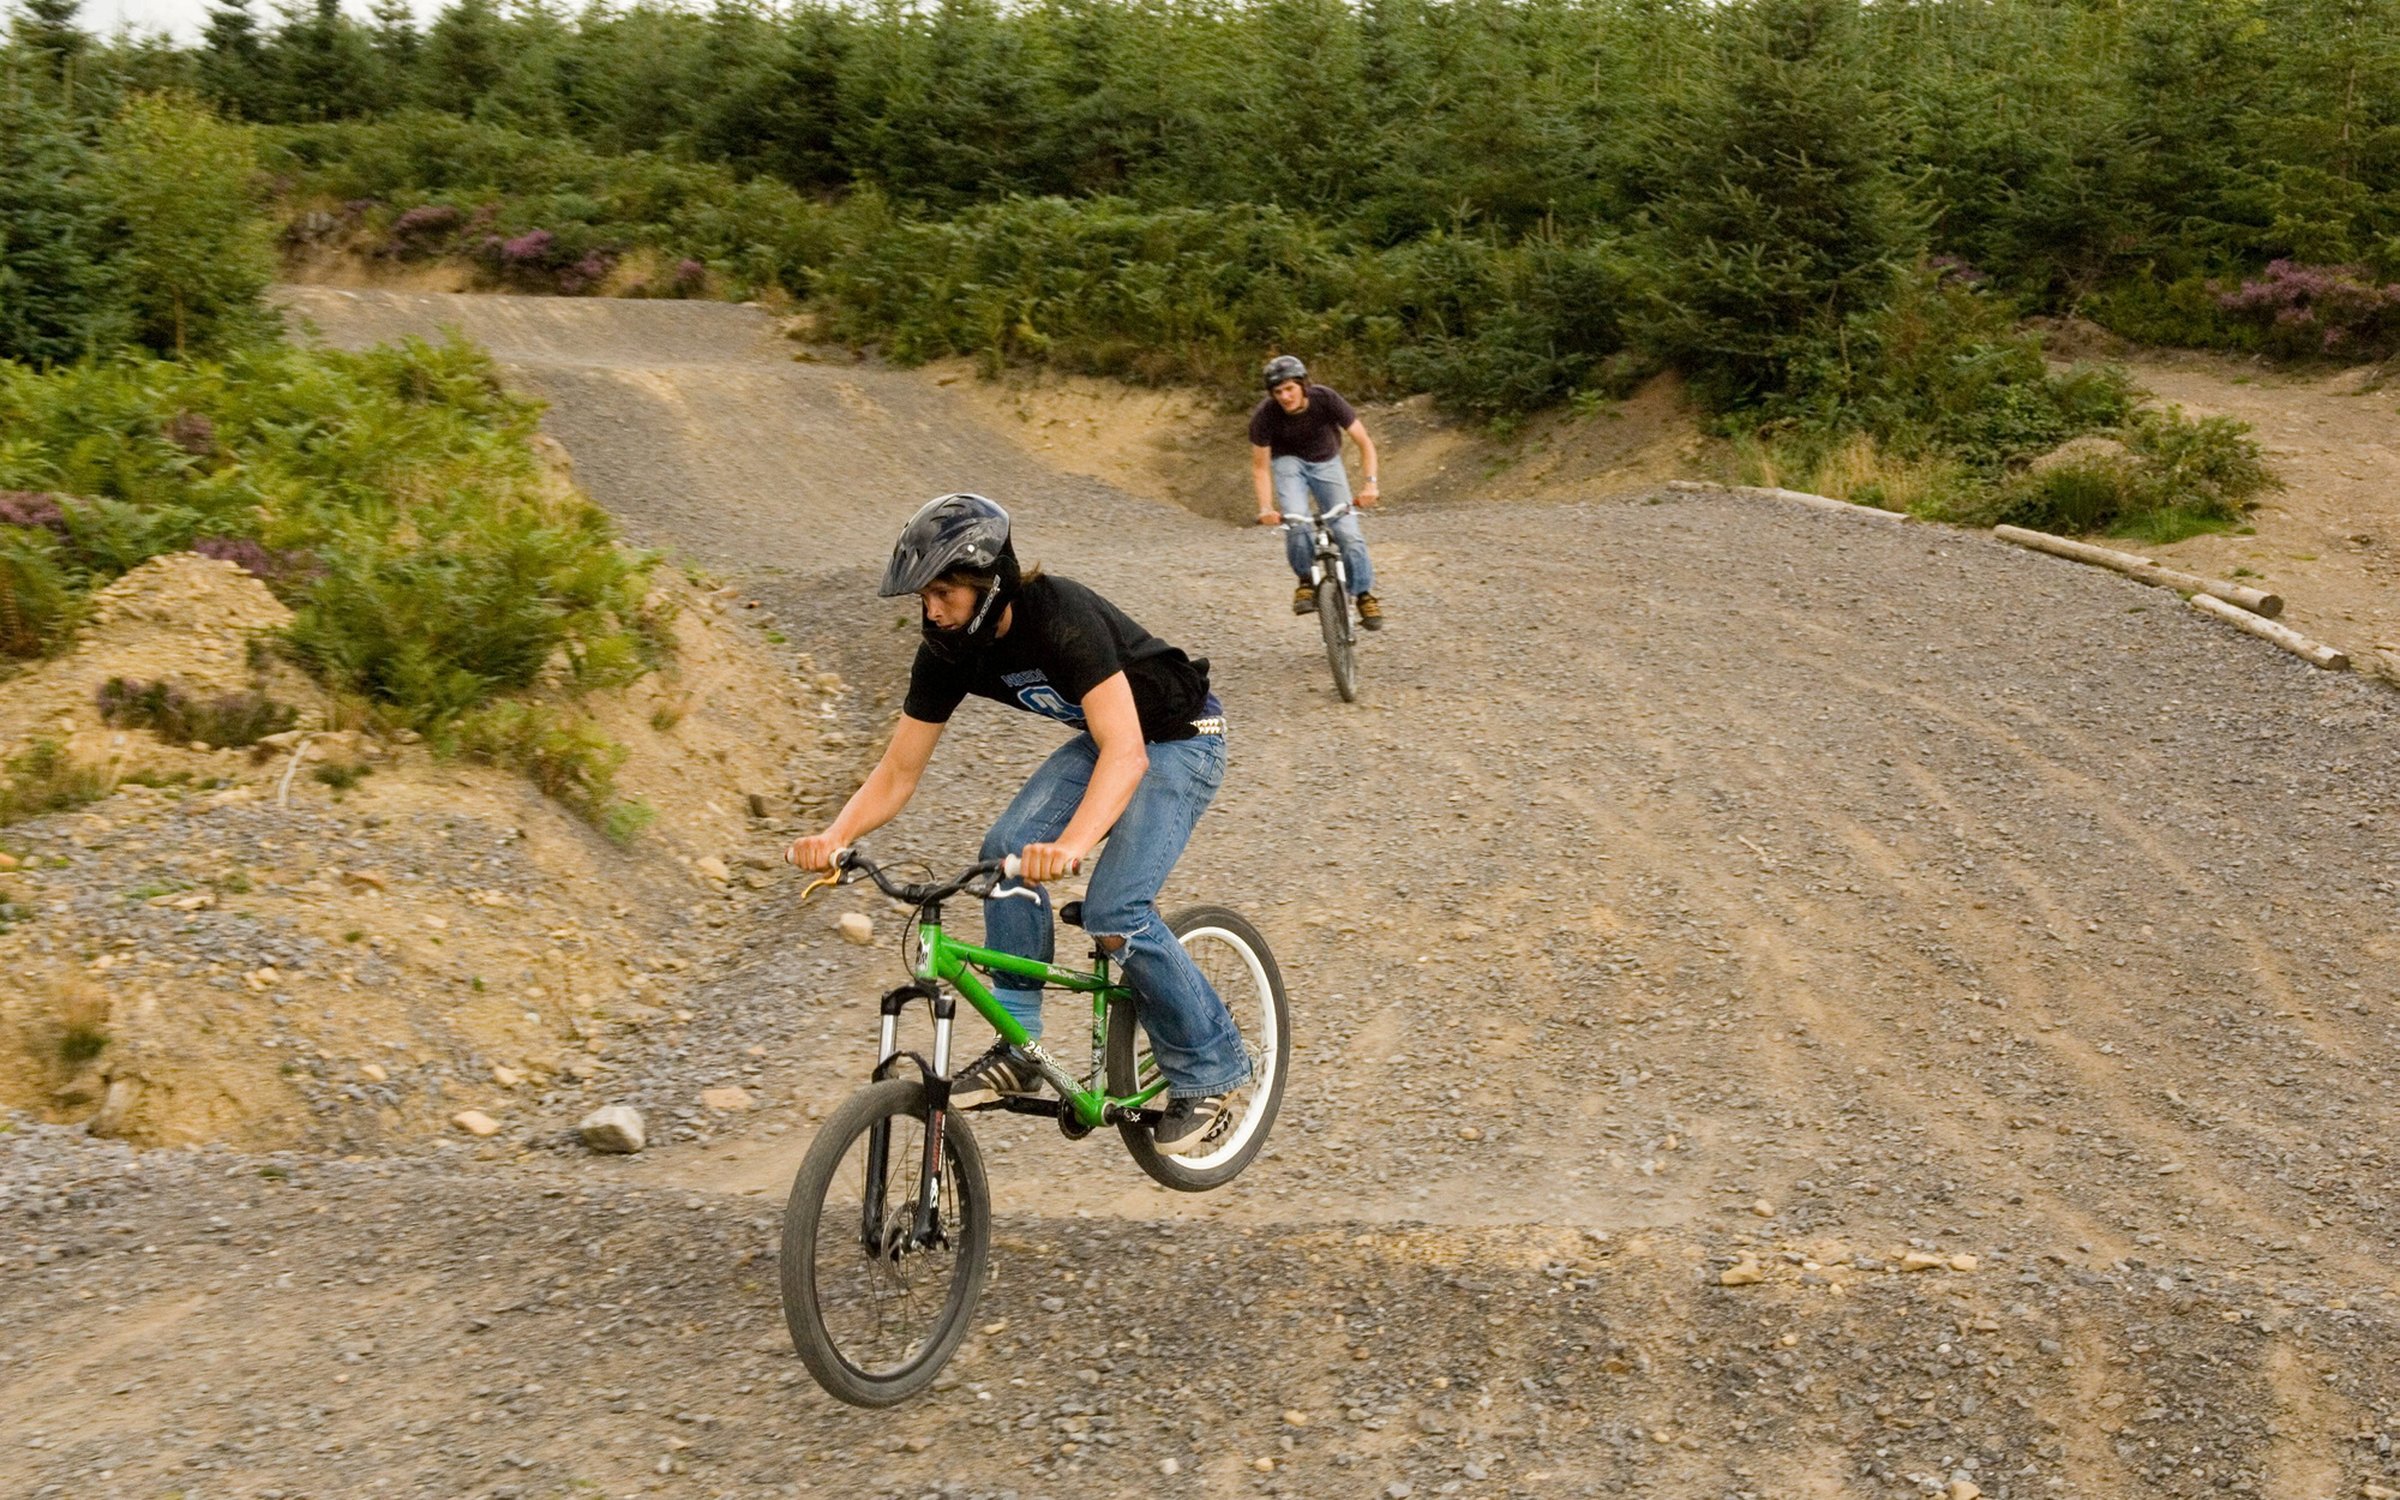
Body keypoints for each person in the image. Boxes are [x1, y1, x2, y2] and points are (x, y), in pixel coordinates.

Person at [784, 493, 1250, 1153]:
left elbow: (1128, 753)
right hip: (1107, 738)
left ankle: (1215, 1068)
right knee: (1003, 853)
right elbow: (897, 772)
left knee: (1116, 912)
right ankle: (1022, 1048)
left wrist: (1070, 846)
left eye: (944, 592)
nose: (931, 609)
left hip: (1182, 736)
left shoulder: (1059, 617)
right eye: (924, 596)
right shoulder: (948, 651)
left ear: (990, 583)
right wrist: (836, 837)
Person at [1250, 354, 1384, 628]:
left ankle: (1363, 594)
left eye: (1290, 389)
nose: (1285, 397)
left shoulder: (1326, 399)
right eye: (1278, 392)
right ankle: (1305, 581)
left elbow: (1364, 442)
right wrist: (1265, 507)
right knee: (1297, 522)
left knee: (1348, 533)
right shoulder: (1265, 416)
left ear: (1303, 385)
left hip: (1326, 461)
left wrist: (1370, 483)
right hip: (1287, 463)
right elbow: (1260, 467)